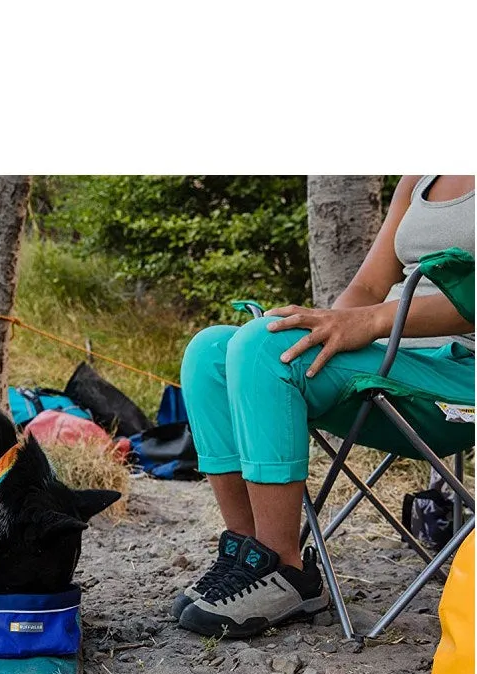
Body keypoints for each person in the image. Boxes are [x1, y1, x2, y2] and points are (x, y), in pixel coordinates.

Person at [175, 175, 475, 638]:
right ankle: (249, 557)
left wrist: (373, 321)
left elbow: (377, 310)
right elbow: (369, 286)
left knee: (257, 349)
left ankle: (285, 571)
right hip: (389, 360)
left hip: (459, 379)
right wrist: (325, 325)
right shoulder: (420, 176)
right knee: (210, 352)